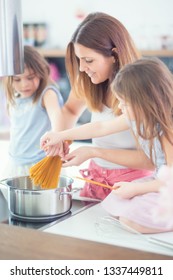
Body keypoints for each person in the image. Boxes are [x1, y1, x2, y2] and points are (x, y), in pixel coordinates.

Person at [41, 57, 173, 233]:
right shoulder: (139, 116)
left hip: (166, 186)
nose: (121, 107)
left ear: (145, 101)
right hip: (157, 183)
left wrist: (136, 188)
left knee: (131, 220)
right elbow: (100, 127)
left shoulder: (167, 130)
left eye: (125, 103)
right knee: (114, 202)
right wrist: (59, 135)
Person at [41, 12, 153, 200]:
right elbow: (70, 110)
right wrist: (60, 138)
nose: (82, 68)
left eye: (89, 60)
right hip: (96, 180)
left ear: (114, 55)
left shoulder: (140, 89)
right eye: (79, 60)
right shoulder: (88, 79)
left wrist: (94, 151)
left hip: (133, 186)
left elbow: (151, 161)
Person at [2, 45, 64, 178]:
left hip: (40, 164)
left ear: (41, 73)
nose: (24, 84)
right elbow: (19, 131)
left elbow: (57, 118)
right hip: (16, 164)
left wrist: (58, 136)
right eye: (17, 79)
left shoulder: (47, 94)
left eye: (30, 78)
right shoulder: (16, 98)